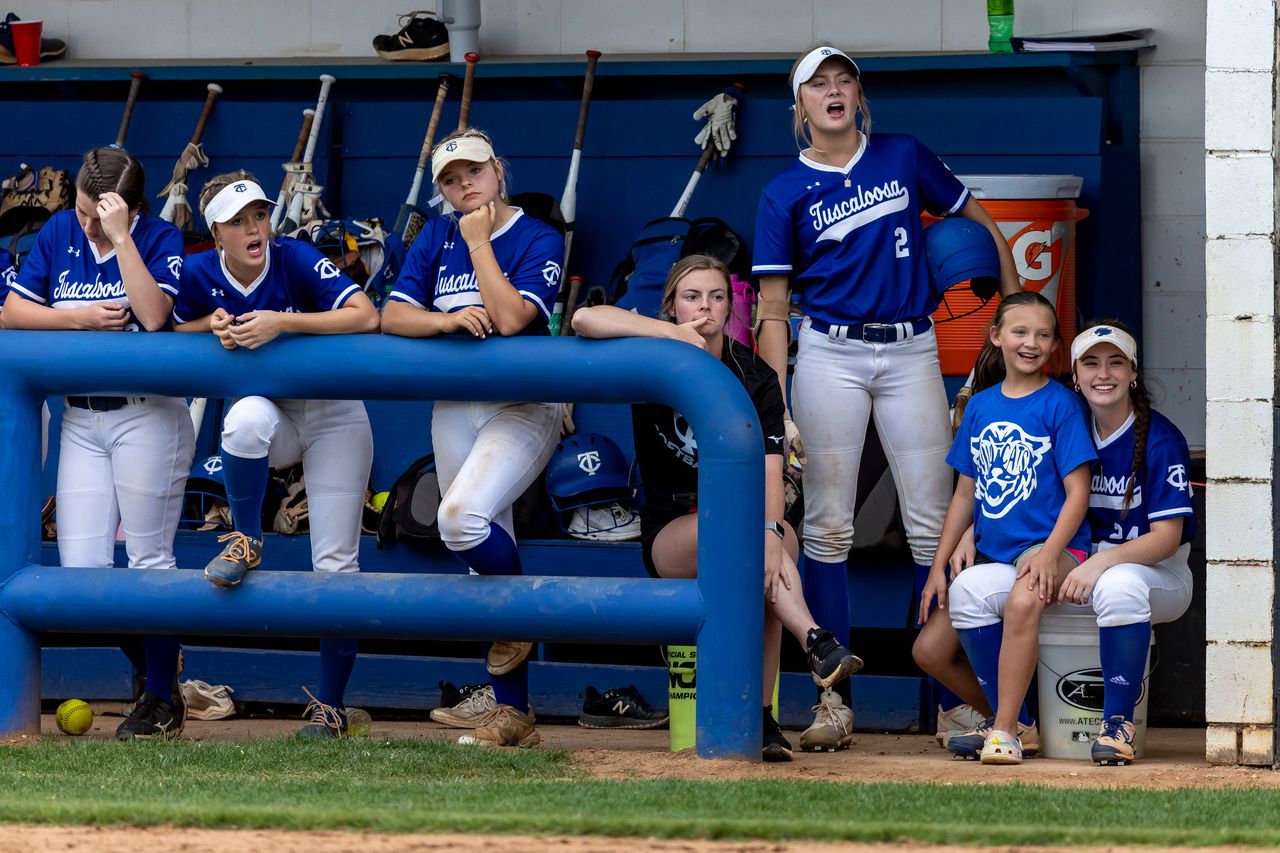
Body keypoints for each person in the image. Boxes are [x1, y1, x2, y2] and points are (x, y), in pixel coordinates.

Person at [750, 45, 1022, 733]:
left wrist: (1014, 301)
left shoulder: (902, 154)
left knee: (935, 522)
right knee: (828, 524)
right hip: (830, 352)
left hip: (910, 346)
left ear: (859, 97)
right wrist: (778, 402)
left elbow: (978, 223)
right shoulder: (784, 190)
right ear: (800, 106)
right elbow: (774, 310)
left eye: (845, 81)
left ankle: (953, 697)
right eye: (819, 84)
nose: (834, 92)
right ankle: (832, 701)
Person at [573, 254, 863, 762]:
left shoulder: (753, 372)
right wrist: (671, 334)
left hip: (750, 520)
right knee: (755, 554)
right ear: (671, 304)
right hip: (675, 530)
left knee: (772, 555)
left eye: (716, 296)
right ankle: (813, 639)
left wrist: (774, 532)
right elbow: (583, 319)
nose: (704, 307)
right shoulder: (652, 353)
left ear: (732, 306)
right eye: (692, 297)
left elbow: (774, 469)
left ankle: (764, 717)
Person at [172, 171, 380, 738]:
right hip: (275, 414)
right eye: (238, 221)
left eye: (259, 215)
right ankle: (247, 537)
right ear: (216, 231)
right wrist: (203, 326)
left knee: (336, 566)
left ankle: (330, 707)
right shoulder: (196, 271)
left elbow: (366, 315)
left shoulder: (294, 255)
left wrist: (282, 323)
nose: (253, 227)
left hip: (336, 413)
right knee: (240, 422)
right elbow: (167, 323)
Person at [2, 146, 194, 740]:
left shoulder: (159, 235)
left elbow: (154, 314)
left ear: (131, 207)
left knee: (148, 562)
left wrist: (122, 236)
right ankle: (160, 669)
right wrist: (78, 319)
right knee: (82, 573)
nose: (87, 223)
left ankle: (162, 699)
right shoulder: (61, 228)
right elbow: (12, 310)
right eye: (84, 211)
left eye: (100, 214)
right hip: (80, 417)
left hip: (148, 415)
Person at [381, 128, 564, 749]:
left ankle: (515, 629)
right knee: (486, 544)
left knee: (460, 519)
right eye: (451, 180)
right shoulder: (435, 234)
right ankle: (515, 715)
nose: (464, 186)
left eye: (474, 173)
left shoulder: (538, 233)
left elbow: (513, 320)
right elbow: (392, 315)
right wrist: (445, 319)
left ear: (498, 171)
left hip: (523, 404)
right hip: (454, 405)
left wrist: (480, 244)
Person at [917, 291, 1096, 765]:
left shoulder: (1061, 405)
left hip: (1055, 548)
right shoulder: (979, 407)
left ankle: (1002, 732)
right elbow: (963, 496)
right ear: (996, 337)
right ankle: (1019, 722)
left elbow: (1078, 492)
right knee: (930, 650)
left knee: (1021, 600)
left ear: (1056, 346)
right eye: (1019, 332)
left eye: (1042, 335)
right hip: (997, 555)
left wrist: (1048, 552)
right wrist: (939, 566)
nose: (1030, 343)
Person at [1058, 320, 1195, 765]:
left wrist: (1102, 563)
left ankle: (1117, 727)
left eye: (1116, 363)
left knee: (1120, 586)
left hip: (1158, 572)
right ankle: (1010, 723)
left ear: (1133, 373)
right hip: (1078, 563)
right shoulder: (1067, 427)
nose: (1104, 373)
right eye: (1091, 363)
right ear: (1075, 375)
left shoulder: (1161, 437)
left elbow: (1167, 539)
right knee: (979, 590)